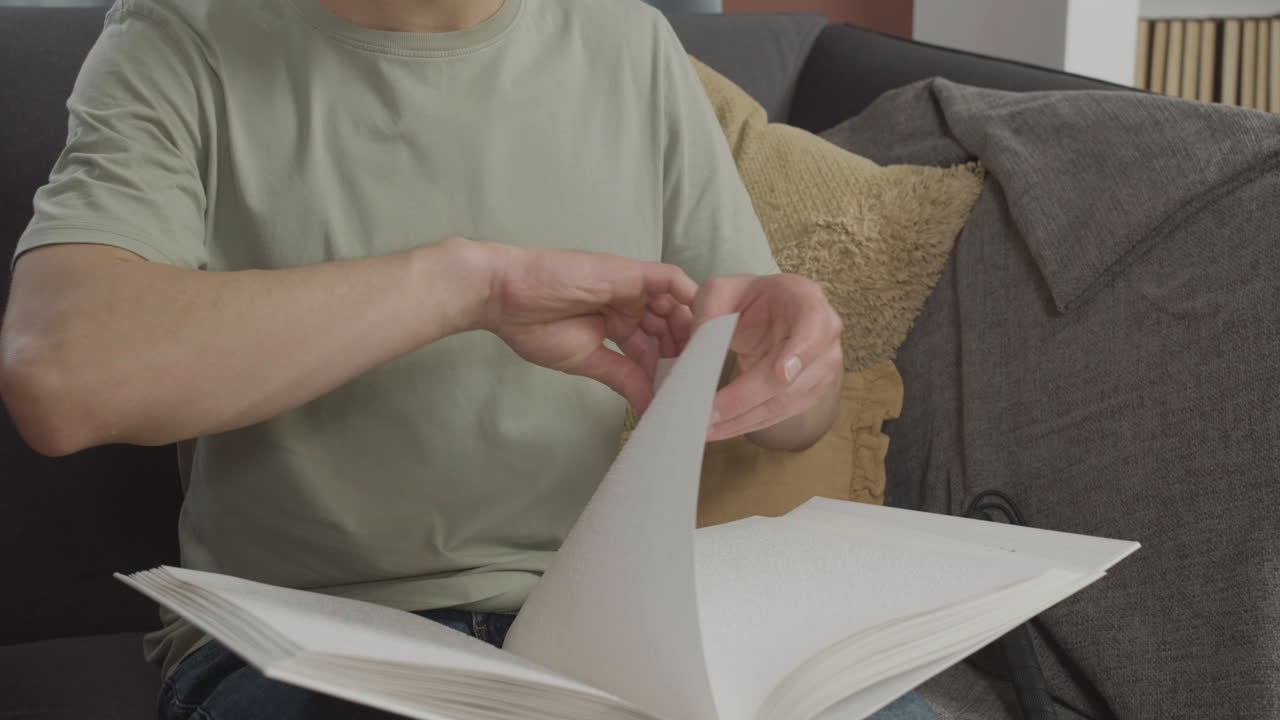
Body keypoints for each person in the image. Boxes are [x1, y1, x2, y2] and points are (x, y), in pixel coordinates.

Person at [0, 0, 938, 718]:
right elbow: (61, 376)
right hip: (304, 639)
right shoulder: (179, 36)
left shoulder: (629, 44)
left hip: (598, 624)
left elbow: (783, 415)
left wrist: (799, 366)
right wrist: (465, 287)